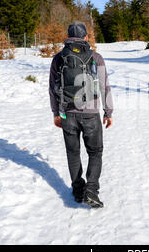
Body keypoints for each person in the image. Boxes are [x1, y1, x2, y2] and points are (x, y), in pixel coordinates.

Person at [49, 21, 114, 208]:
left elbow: (52, 89)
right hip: (91, 114)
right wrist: (108, 112)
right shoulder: (96, 57)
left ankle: (78, 191)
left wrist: (56, 112)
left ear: (68, 37)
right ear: (86, 37)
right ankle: (91, 190)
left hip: (67, 113)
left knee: (73, 152)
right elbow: (104, 86)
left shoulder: (59, 58)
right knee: (95, 152)